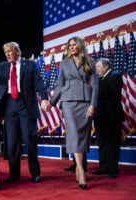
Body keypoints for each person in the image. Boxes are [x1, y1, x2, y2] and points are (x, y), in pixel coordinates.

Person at [0, 42, 49, 183]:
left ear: (17, 52)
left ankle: (35, 173)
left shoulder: (30, 65)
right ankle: (14, 174)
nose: (7, 54)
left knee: (29, 139)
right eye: (5, 52)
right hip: (9, 105)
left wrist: (44, 99)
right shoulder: (3, 66)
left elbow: (39, 83)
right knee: (12, 142)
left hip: (26, 105)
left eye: (10, 51)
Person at [47, 36, 98, 189]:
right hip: (68, 102)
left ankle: (78, 166)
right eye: (69, 45)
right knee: (74, 134)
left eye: (74, 45)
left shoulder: (90, 63)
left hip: (85, 101)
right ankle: (81, 169)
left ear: (80, 46)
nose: (71, 47)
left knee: (83, 135)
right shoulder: (64, 63)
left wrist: (93, 105)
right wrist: (53, 102)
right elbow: (60, 84)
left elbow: (95, 86)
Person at [91, 58, 124, 178]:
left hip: (112, 116)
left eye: (98, 67)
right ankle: (103, 167)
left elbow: (112, 93)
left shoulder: (116, 76)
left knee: (112, 143)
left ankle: (113, 169)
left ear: (106, 66)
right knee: (102, 143)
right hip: (99, 116)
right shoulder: (98, 79)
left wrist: (94, 94)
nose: (97, 69)